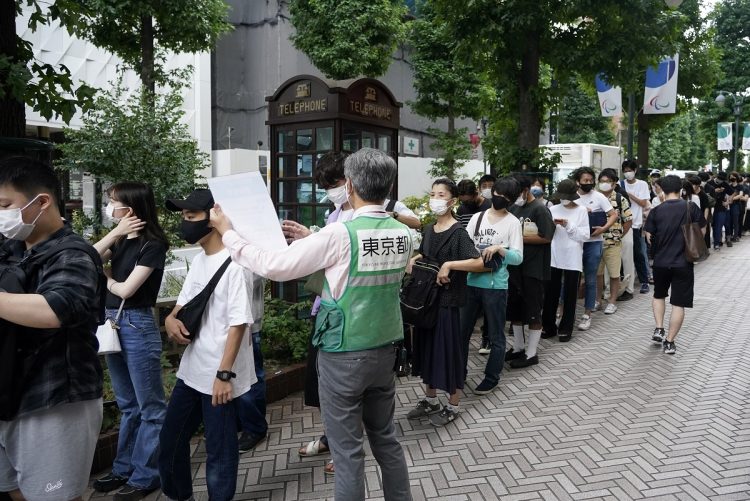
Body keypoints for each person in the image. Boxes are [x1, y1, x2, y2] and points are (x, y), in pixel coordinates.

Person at [212, 148, 413, 500]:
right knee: (386, 439)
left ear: (349, 185)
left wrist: (228, 234)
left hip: (343, 353)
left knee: (347, 452)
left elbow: (274, 265)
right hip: (385, 350)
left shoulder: (338, 235)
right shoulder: (401, 233)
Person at [0, 157, 105, 501]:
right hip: (10, 393)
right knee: (16, 490)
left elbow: (55, 309)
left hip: (55, 399)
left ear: (42, 201)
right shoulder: (13, 250)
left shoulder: (73, 254)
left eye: (5, 206)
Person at [159, 189, 257, 501]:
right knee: (171, 439)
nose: (185, 224)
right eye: (183, 217)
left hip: (218, 376)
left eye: (191, 217)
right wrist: (170, 319)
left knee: (220, 450)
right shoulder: (202, 259)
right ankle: (179, 494)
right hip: (192, 370)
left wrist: (224, 375)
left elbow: (239, 322)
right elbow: (184, 304)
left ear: (214, 219)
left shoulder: (237, 264)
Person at [91, 182, 169, 500]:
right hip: (113, 324)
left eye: (113, 202)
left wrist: (105, 277)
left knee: (150, 407)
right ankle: (124, 469)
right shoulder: (121, 241)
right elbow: (88, 257)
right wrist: (114, 233)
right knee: (128, 406)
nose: (109, 207)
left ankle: (147, 475)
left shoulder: (153, 244)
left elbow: (126, 290)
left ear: (131, 208)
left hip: (137, 326)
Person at [280, 151, 351, 475]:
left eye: (334, 183)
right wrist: (311, 239)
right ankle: (330, 437)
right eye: (325, 184)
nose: (330, 190)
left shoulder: (360, 217)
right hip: (323, 308)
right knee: (321, 383)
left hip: (343, 313)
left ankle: (344, 448)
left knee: (340, 387)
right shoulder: (335, 212)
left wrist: (311, 241)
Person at [406, 178, 484, 423]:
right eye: (432, 194)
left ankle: (453, 404)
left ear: (452, 201)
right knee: (427, 351)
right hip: (425, 303)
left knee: (448, 354)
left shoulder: (458, 232)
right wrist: (415, 258)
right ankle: (430, 400)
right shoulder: (429, 229)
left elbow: (479, 262)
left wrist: (449, 265)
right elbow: (429, 254)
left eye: (440, 195)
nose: (435, 199)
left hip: (447, 303)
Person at [460, 177, 523, 390]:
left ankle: (491, 377)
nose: (499, 199)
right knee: (462, 333)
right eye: (498, 194)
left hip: (496, 287)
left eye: (506, 198)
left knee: (496, 336)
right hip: (471, 282)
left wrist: (500, 249)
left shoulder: (513, 222)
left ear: (512, 200)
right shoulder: (477, 218)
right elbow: (465, 245)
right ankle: (459, 373)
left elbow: (518, 258)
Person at [643, 175, 706, 355]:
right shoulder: (690, 207)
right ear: (681, 189)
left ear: (662, 189)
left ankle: (659, 328)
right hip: (683, 263)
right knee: (678, 303)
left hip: (661, 262)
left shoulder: (656, 211)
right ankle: (669, 342)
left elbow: (649, 237)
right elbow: (702, 229)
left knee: (659, 295)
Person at [506, 175, 553, 368]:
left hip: (534, 268)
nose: (516, 197)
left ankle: (532, 353)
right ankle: (518, 347)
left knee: (533, 310)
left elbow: (547, 237)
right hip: (514, 267)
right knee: (515, 310)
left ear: (526, 190)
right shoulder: (514, 208)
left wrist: (518, 239)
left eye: (518, 193)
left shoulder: (540, 209)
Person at [541, 179, 589, 342]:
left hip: (573, 256)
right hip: (554, 255)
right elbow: (546, 233)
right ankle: (548, 326)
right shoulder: (552, 209)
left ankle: (566, 327)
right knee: (550, 293)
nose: (563, 199)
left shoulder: (581, 210)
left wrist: (568, 225)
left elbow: (585, 235)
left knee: (570, 294)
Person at [573, 167, 617, 331]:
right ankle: (563, 312)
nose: (588, 183)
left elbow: (613, 215)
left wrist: (603, 229)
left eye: (591, 180)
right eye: (585, 180)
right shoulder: (571, 196)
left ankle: (587, 314)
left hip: (593, 242)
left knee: (591, 278)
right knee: (570, 278)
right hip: (575, 243)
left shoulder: (599, 197)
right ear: (578, 181)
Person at [235, 272, 267, 453]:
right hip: (231, 323)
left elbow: (253, 274)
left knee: (251, 377)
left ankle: (255, 428)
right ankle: (245, 422)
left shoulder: (250, 245)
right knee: (242, 375)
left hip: (248, 323)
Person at [595, 169, 632, 315]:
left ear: (614, 183)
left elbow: (628, 220)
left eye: (608, 181)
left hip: (613, 244)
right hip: (595, 242)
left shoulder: (619, 199)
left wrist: (619, 235)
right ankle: (597, 300)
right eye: (602, 181)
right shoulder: (594, 198)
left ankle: (612, 302)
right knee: (597, 274)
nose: (604, 184)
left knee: (614, 274)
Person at [621, 160, 652, 293]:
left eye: (630, 170)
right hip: (622, 224)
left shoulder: (642, 184)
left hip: (636, 224)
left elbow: (644, 203)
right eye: (625, 170)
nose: (628, 173)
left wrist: (628, 194)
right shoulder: (620, 184)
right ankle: (624, 280)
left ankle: (644, 281)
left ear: (635, 171)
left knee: (639, 254)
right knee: (622, 255)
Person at [711, 172, 733, 250]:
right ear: (717, 177)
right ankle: (715, 241)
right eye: (720, 179)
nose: (721, 181)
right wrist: (715, 190)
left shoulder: (725, 184)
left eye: (722, 180)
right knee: (713, 225)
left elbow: (732, 193)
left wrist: (728, 202)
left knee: (718, 225)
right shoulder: (710, 183)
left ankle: (716, 244)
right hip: (710, 207)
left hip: (720, 207)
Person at [728, 173, 744, 242]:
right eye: (730, 177)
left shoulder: (740, 186)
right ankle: (730, 235)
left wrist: (732, 198)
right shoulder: (728, 185)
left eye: (733, 177)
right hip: (729, 205)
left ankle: (736, 236)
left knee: (735, 221)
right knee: (729, 221)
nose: (732, 178)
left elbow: (740, 195)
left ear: (736, 178)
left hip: (736, 205)